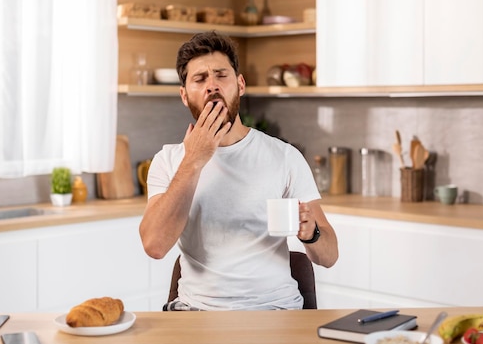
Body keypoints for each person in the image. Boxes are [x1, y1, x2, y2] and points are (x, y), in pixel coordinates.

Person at [139, 31, 338, 311]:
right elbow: (155, 245)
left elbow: (329, 256)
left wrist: (312, 234)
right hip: (196, 313)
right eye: (200, 79)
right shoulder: (169, 160)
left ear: (240, 84)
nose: (212, 85)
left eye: (221, 74)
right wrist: (194, 159)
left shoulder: (284, 157)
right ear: (184, 95)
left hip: (276, 311)